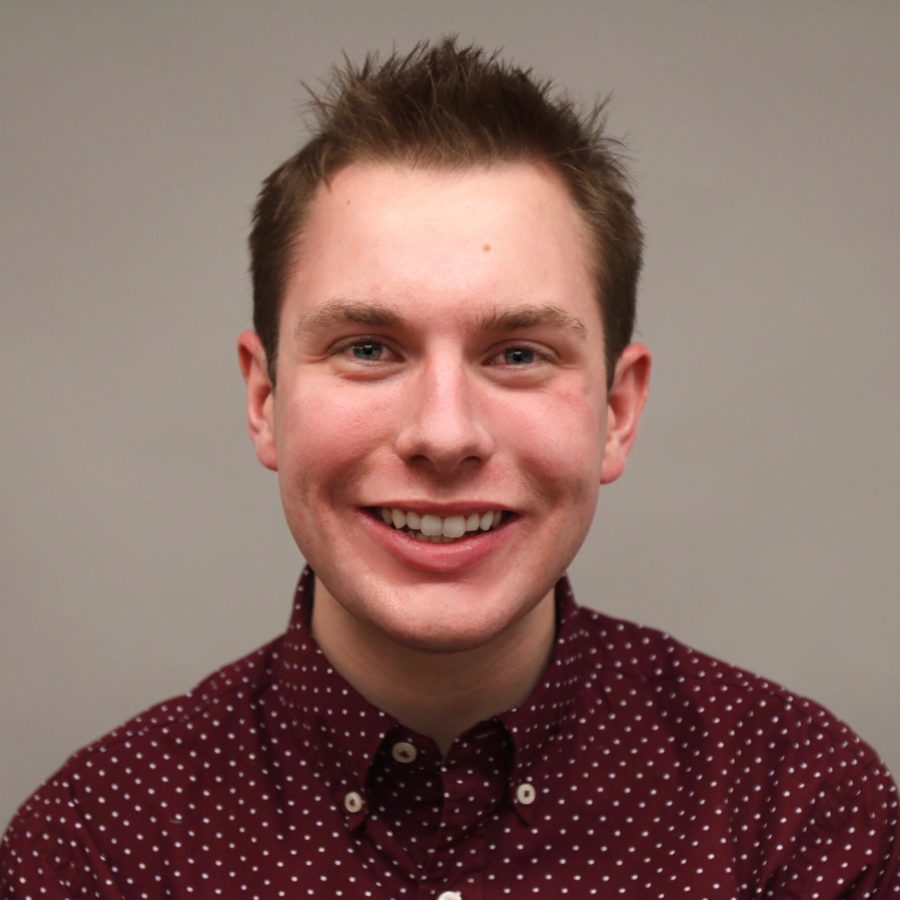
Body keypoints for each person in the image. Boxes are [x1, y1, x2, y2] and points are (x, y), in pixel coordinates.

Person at [1, 38, 897, 899]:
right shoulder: (94, 852)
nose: (443, 433)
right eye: (367, 347)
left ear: (617, 413)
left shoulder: (796, 809)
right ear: (265, 399)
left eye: (518, 355)